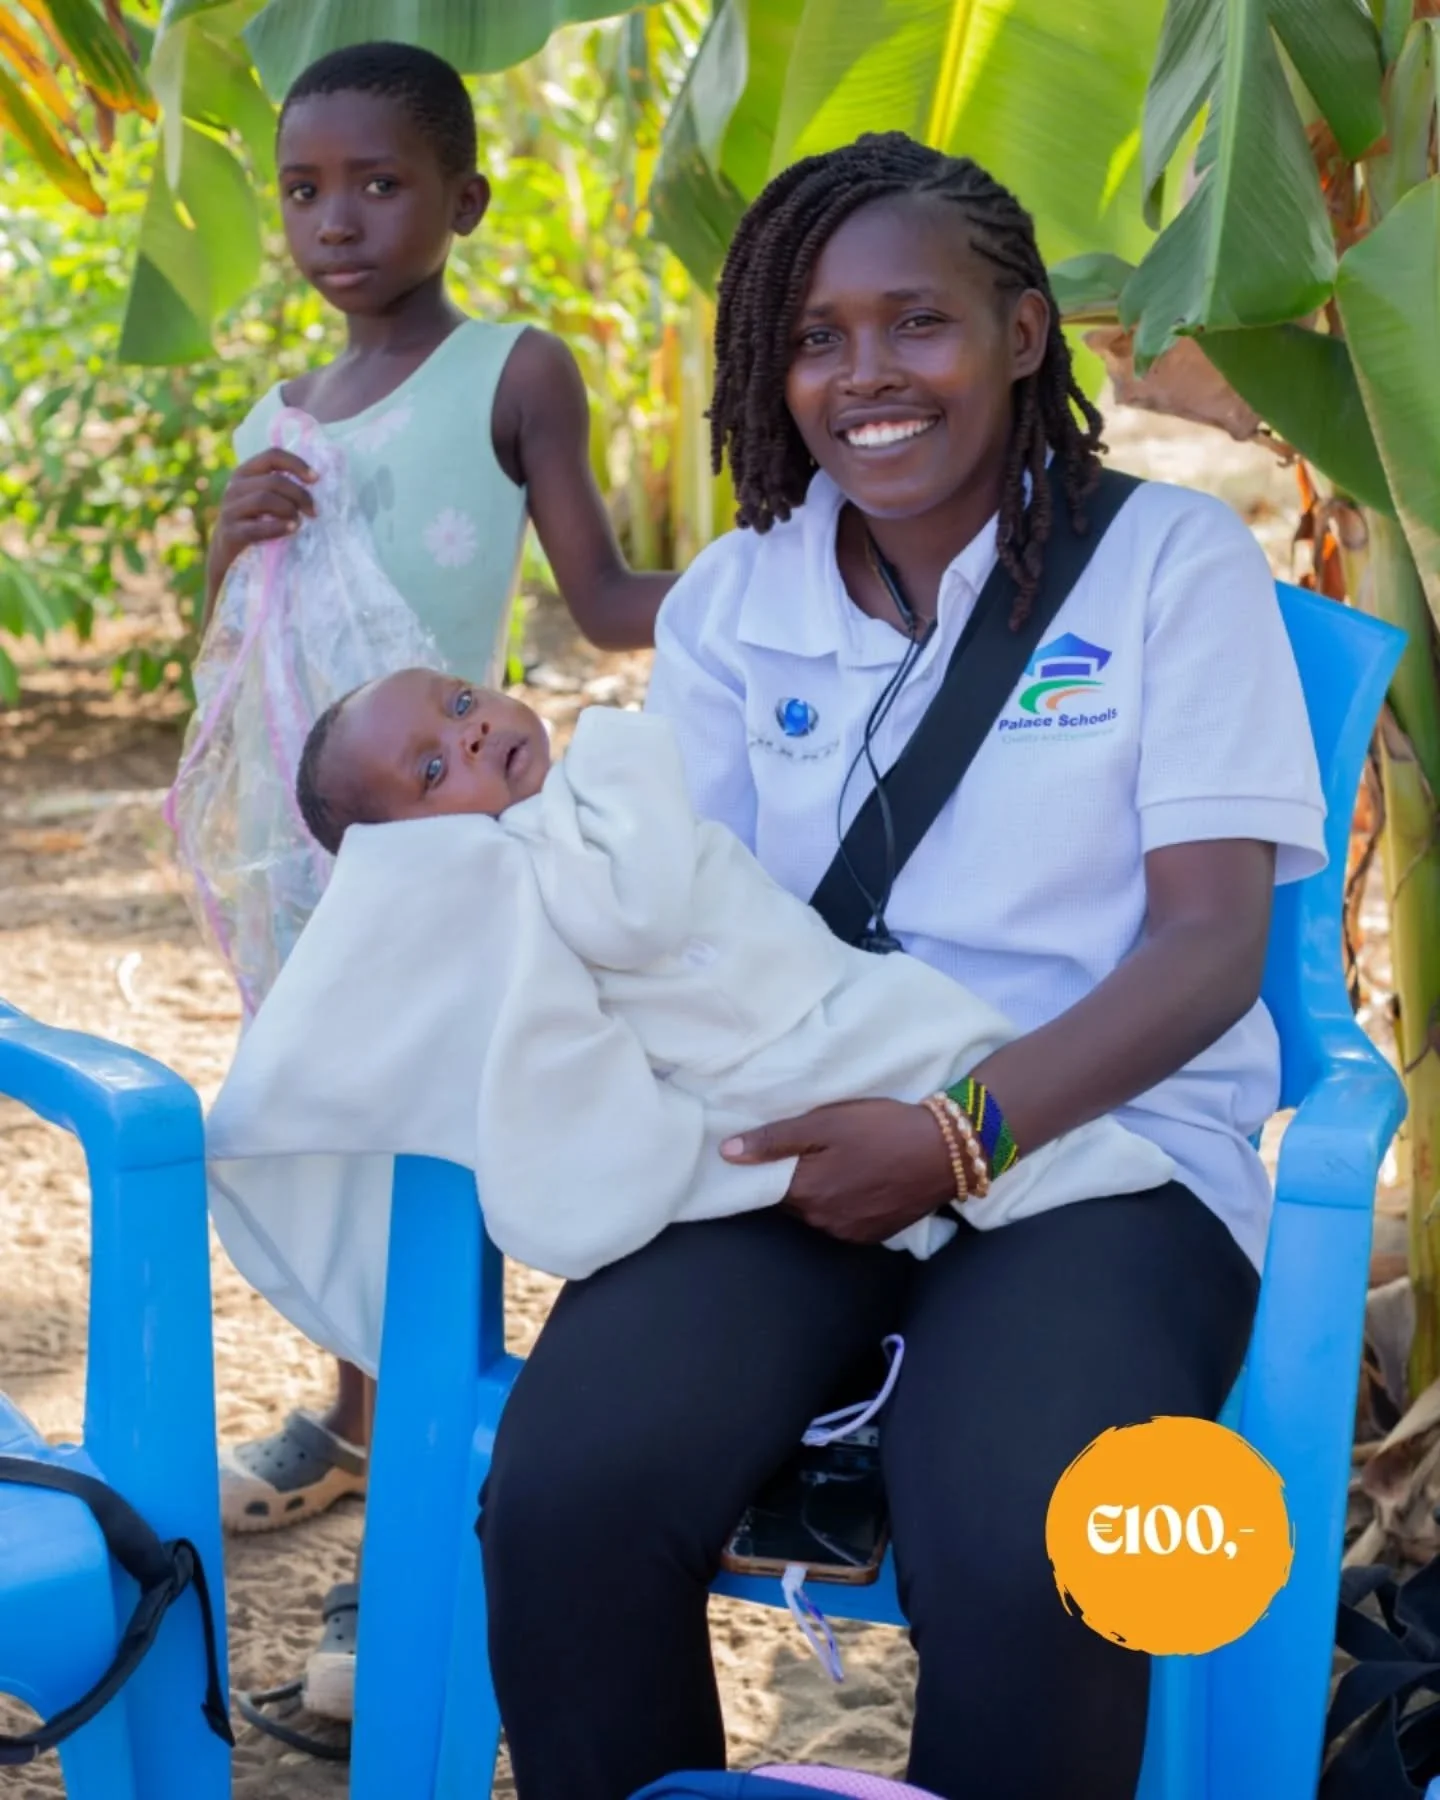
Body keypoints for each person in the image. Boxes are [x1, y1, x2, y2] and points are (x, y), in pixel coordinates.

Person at [476, 134, 1327, 1800]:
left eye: (914, 323)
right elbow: (666, 920)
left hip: (1106, 1160)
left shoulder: (1172, 569)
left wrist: (954, 1139)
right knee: (569, 1496)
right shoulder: (735, 604)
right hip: (799, 1144)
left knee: (1037, 1550)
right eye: (813, 337)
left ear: (1022, 336)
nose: (862, 374)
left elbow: (1214, 947)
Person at [203, 37, 673, 1720]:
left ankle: (408, 1548)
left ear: (463, 199)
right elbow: (251, 653)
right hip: (308, 871)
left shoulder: (510, 370)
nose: (340, 220)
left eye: (382, 183)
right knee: (348, 1160)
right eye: (307, 191)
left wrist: (791, 579)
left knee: (434, 1189)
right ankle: (347, 1430)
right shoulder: (281, 409)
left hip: (444, 869)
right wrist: (224, 532)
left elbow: (606, 595)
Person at [200, 672, 1176, 1355]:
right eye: (428, 772)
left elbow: (641, 905)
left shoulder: (581, 807)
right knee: (924, 1146)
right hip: (772, 1064)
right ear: (414, 853)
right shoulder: (510, 879)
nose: (470, 732)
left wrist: (617, 751)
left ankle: (1116, 1214)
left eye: (461, 701)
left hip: (839, 1012)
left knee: (984, 1099)